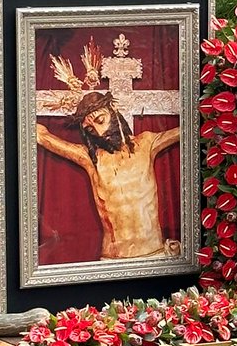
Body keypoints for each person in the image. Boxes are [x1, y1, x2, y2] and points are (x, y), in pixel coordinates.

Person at [36, 89, 180, 261]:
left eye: (100, 120)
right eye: (89, 129)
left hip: (154, 253)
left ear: (113, 109)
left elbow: (186, 130)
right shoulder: (91, 159)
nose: (98, 131)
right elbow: (41, 136)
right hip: (113, 259)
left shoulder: (147, 143)